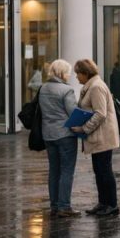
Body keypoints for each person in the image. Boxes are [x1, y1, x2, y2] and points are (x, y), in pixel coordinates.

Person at [72, 59, 120, 217]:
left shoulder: (96, 87)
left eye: (78, 74)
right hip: (97, 135)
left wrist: (84, 129)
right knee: (99, 170)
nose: (76, 77)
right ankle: (103, 202)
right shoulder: (90, 86)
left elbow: (100, 113)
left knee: (104, 170)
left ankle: (111, 204)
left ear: (86, 73)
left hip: (103, 136)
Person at [38, 59, 80, 218]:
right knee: (67, 170)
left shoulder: (43, 88)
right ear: (62, 73)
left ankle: (54, 206)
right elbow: (73, 113)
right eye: (68, 72)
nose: (69, 75)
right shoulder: (66, 90)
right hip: (65, 135)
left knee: (54, 171)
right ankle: (64, 206)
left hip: (48, 135)